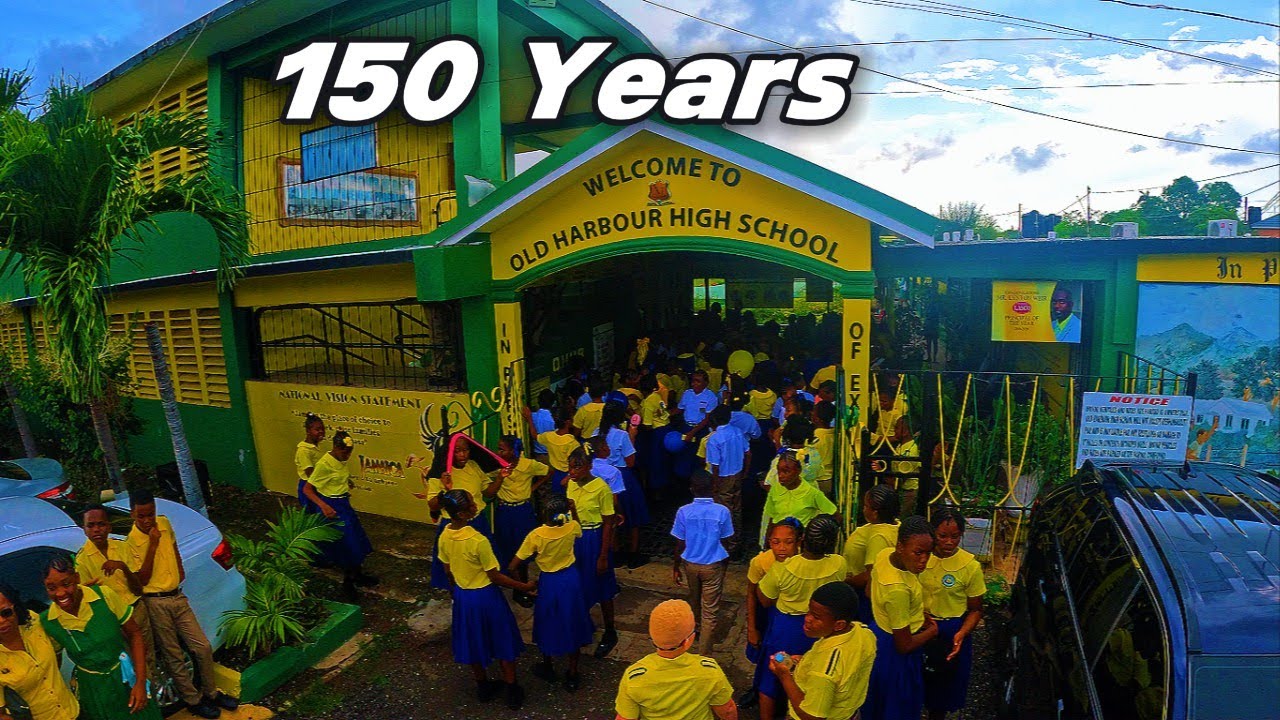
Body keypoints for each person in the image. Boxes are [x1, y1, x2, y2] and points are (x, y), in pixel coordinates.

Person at [124, 491, 236, 719]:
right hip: (156, 602)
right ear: (133, 514)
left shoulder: (163, 523)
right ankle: (193, 700)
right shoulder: (131, 543)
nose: (147, 521)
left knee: (201, 646)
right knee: (173, 652)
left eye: (150, 515)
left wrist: (178, 572)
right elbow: (142, 579)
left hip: (177, 596)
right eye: (141, 516)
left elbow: (173, 548)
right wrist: (152, 545)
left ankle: (211, 693)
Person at [436, 490, 535, 710]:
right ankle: (512, 690)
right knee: (502, 640)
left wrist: (455, 591)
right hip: (486, 596)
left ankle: (483, 686)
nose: (474, 504)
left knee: (472, 641)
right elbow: (495, 576)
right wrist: (524, 587)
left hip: (464, 596)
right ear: (463, 513)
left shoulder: (444, 534)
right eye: (471, 502)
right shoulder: (478, 540)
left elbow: (447, 569)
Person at [38, 556, 162, 720]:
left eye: (66, 584)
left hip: (125, 677)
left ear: (77, 578)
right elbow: (53, 666)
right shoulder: (49, 622)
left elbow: (135, 634)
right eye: (51, 588)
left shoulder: (103, 596)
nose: (60, 593)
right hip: (93, 690)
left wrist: (140, 682)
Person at [756, 515, 849, 720]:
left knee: (773, 673)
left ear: (803, 538)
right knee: (808, 674)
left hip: (785, 629)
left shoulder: (784, 568)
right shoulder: (839, 564)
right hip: (820, 629)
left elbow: (764, 599)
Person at [510, 495, 593, 693]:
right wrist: (573, 511)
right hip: (570, 579)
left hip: (549, 581)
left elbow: (514, 565)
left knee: (547, 621)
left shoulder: (537, 535)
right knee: (572, 621)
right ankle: (572, 673)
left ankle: (547, 665)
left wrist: (525, 586)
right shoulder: (571, 526)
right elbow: (579, 530)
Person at [863, 516, 938, 720]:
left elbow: (870, 592)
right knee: (897, 705)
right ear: (900, 547)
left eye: (928, 553)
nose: (924, 560)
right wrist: (931, 631)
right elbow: (904, 645)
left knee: (876, 700)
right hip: (895, 653)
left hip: (878, 632)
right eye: (918, 553)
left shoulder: (884, 555)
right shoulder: (898, 590)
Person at [768, 581, 876, 720]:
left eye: (816, 617)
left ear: (839, 624)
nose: (807, 619)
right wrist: (805, 662)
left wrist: (784, 676)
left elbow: (812, 716)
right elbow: (847, 669)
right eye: (809, 611)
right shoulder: (863, 632)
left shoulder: (824, 672)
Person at [614, 599, 737, 720]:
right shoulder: (709, 671)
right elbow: (727, 711)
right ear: (687, 641)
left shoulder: (634, 677)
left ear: (653, 637)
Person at [75, 506, 154, 687]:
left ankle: (154, 700)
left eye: (101, 524)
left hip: (136, 611)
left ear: (109, 527)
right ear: (85, 529)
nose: (96, 530)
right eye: (91, 525)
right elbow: (87, 601)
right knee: (128, 667)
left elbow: (138, 589)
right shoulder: (82, 560)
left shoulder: (122, 547)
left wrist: (122, 567)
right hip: (115, 623)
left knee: (148, 660)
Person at [920, 510, 985, 720]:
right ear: (932, 534)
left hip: (950, 631)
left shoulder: (970, 567)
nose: (949, 542)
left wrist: (962, 633)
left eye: (955, 537)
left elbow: (975, 609)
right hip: (918, 626)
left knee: (943, 689)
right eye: (942, 536)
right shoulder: (920, 557)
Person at [300, 432, 378, 594]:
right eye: (345, 452)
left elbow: (336, 477)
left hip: (344, 503)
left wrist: (346, 481)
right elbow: (307, 489)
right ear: (336, 448)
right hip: (333, 506)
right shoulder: (324, 464)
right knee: (347, 544)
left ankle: (358, 575)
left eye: (350, 452)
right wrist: (324, 506)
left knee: (357, 540)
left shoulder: (339, 460)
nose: (348, 456)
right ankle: (348, 582)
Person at [565, 447, 621, 659]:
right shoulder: (570, 485)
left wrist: (603, 555)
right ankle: (584, 624)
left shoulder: (601, 489)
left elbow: (608, 523)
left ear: (589, 467)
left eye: (577, 467)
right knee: (579, 583)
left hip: (595, 538)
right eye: (570, 467)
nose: (572, 471)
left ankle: (610, 630)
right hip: (577, 538)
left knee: (603, 585)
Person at [671, 470, 734, 656]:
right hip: (713, 565)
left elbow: (680, 542)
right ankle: (704, 655)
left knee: (694, 600)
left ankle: (693, 633)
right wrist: (725, 564)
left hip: (690, 564)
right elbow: (726, 540)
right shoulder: (722, 512)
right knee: (710, 612)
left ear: (691, 489)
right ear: (714, 488)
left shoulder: (683, 511)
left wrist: (675, 566)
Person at [742, 518, 802, 709]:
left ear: (799, 542)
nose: (782, 548)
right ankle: (758, 690)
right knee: (764, 657)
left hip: (788, 619)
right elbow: (751, 594)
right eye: (776, 542)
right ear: (769, 542)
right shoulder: (760, 562)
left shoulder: (803, 562)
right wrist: (752, 627)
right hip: (767, 615)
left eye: (788, 542)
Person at [426, 434, 500, 589]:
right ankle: (455, 589)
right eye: (457, 451)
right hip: (454, 525)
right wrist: (444, 491)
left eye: (465, 450)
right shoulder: (440, 474)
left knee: (483, 558)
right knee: (455, 562)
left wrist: (501, 478)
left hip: (478, 521)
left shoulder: (473, 466)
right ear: (449, 452)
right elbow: (432, 505)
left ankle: (484, 584)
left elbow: (487, 492)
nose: (462, 455)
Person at [0, 582, 78, 720]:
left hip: (73, 712)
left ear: (15, 607)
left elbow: (56, 652)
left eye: (6, 613)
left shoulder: (33, 620)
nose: (1, 621)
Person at [491, 435, 549, 607]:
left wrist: (533, 488)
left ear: (514, 451)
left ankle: (522, 589)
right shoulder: (497, 466)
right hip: (504, 511)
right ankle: (514, 583)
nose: (499, 452)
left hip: (523, 511)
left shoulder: (528, 465)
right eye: (498, 448)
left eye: (502, 449)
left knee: (523, 550)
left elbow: (548, 471)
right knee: (506, 547)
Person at [597, 402, 650, 567]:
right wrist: (632, 436)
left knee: (610, 516)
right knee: (633, 515)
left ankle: (616, 552)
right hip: (622, 475)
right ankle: (633, 555)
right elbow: (630, 462)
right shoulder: (622, 435)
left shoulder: (596, 433)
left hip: (601, 475)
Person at [844, 484, 902, 624]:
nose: (863, 509)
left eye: (866, 506)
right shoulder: (896, 525)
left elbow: (871, 576)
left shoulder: (879, 537)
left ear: (875, 513)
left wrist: (847, 581)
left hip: (864, 596)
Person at [761, 452, 838, 543]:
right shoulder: (775, 489)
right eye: (779, 471)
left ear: (798, 471)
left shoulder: (811, 493)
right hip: (780, 542)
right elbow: (772, 518)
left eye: (786, 471)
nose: (780, 476)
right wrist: (767, 543)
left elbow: (836, 515)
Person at [704, 405, 750, 556]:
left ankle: (728, 545)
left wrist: (715, 484)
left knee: (724, 512)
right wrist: (745, 471)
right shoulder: (737, 432)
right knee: (736, 509)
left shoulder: (714, 439)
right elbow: (748, 453)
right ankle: (736, 541)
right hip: (737, 474)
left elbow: (715, 465)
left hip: (723, 478)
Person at [674, 370, 720, 479]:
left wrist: (692, 433)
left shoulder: (711, 397)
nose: (694, 384)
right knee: (682, 454)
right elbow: (679, 409)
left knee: (696, 457)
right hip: (686, 427)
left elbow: (707, 419)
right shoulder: (687, 394)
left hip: (700, 430)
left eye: (697, 381)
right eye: (693, 381)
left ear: (706, 383)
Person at [528, 408, 579, 495]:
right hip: (569, 476)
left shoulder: (549, 437)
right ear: (568, 422)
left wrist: (529, 419)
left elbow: (534, 436)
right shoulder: (572, 443)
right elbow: (576, 463)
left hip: (556, 475)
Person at [638, 374, 673, 497]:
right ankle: (667, 486)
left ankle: (657, 491)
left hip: (656, 433)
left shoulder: (647, 402)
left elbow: (647, 426)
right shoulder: (657, 396)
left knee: (655, 462)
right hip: (667, 429)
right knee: (665, 460)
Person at [890, 418, 921, 515]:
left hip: (908, 492)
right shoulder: (901, 446)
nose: (894, 431)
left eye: (897, 428)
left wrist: (890, 481)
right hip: (902, 491)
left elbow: (903, 476)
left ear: (906, 431)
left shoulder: (910, 450)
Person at [295, 413, 326, 507]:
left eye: (323, 429)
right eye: (317, 429)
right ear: (308, 431)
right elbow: (310, 473)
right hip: (309, 486)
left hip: (317, 484)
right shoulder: (304, 451)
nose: (321, 432)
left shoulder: (315, 447)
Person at [809, 402, 837, 494]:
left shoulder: (816, 436)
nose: (811, 413)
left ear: (817, 419)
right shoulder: (834, 433)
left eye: (814, 412)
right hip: (830, 478)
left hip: (819, 479)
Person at [528, 390, 558, 467]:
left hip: (537, 454)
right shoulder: (553, 420)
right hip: (551, 455)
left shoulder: (532, 416)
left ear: (538, 401)